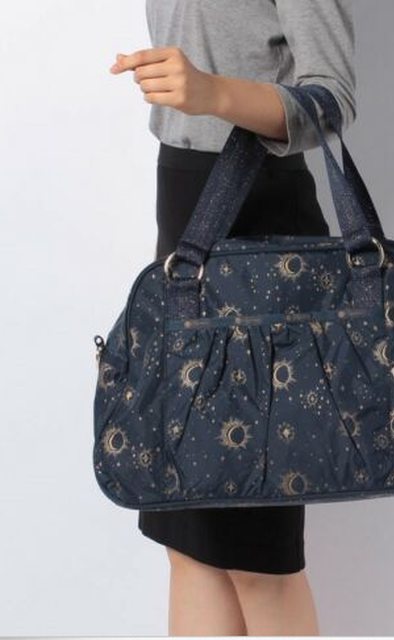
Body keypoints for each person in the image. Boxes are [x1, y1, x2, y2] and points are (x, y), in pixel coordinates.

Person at [110, 0, 356, 635]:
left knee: (256, 557)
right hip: (182, 200)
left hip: (260, 221)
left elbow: (331, 100)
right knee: (188, 539)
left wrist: (213, 92)